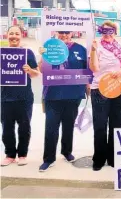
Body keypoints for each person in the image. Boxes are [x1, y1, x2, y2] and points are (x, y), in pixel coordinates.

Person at [38, 31, 89, 172]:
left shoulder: (80, 49)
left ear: (72, 33)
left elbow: (87, 70)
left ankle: (66, 151)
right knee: (51, 127)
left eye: (67, 32)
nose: (64, 34)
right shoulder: (50, 47)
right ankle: (49, 158)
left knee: (68, 125)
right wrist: (43, 57)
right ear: (56, 32)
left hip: (73, 94)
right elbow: (42, 70)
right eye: (61, 32)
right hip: (53, 94)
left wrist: (88, 88)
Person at [89, 21, 121, 171]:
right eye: (104, 31)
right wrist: (93, 51)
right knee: (100, 125)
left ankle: (114, 157)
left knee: (117, 124)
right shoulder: (97, 46)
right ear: (101, 32)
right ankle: (99, 158)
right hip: (100, 90)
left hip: (119, 89)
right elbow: (94, 68)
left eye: (110, 31)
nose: (107, 34)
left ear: (115, 32)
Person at [1, 26, 39, 166]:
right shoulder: (1, 53)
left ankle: (22, 155)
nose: (14, 36)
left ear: (21, 36)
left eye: (17, 34)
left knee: (24, 127)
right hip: (5, 97)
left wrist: (29, 70)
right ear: (7, 35)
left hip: (24, 97)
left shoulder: (27, 53)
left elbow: (36, 74)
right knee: (6, 128)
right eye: (11, 34)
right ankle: (9, 155)